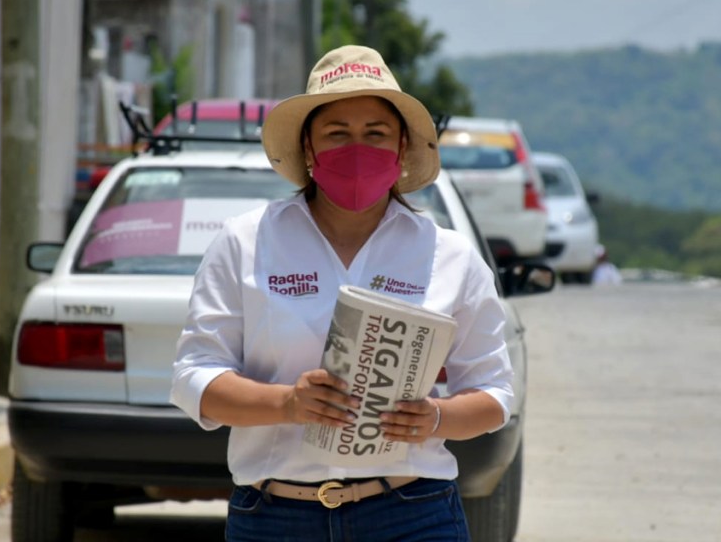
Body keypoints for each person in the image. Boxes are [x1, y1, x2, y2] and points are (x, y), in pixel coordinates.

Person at [170, 45, 513, 541]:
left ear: (401, 149)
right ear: (308, 149)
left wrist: (435, 418)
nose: (357, 148)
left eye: (375, 133)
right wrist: (288, 404)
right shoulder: (245, 241)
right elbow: (194, 378)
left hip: (413, 514)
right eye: (337, 133)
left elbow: (495, 395)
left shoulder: (451, 256)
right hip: (273, 518)